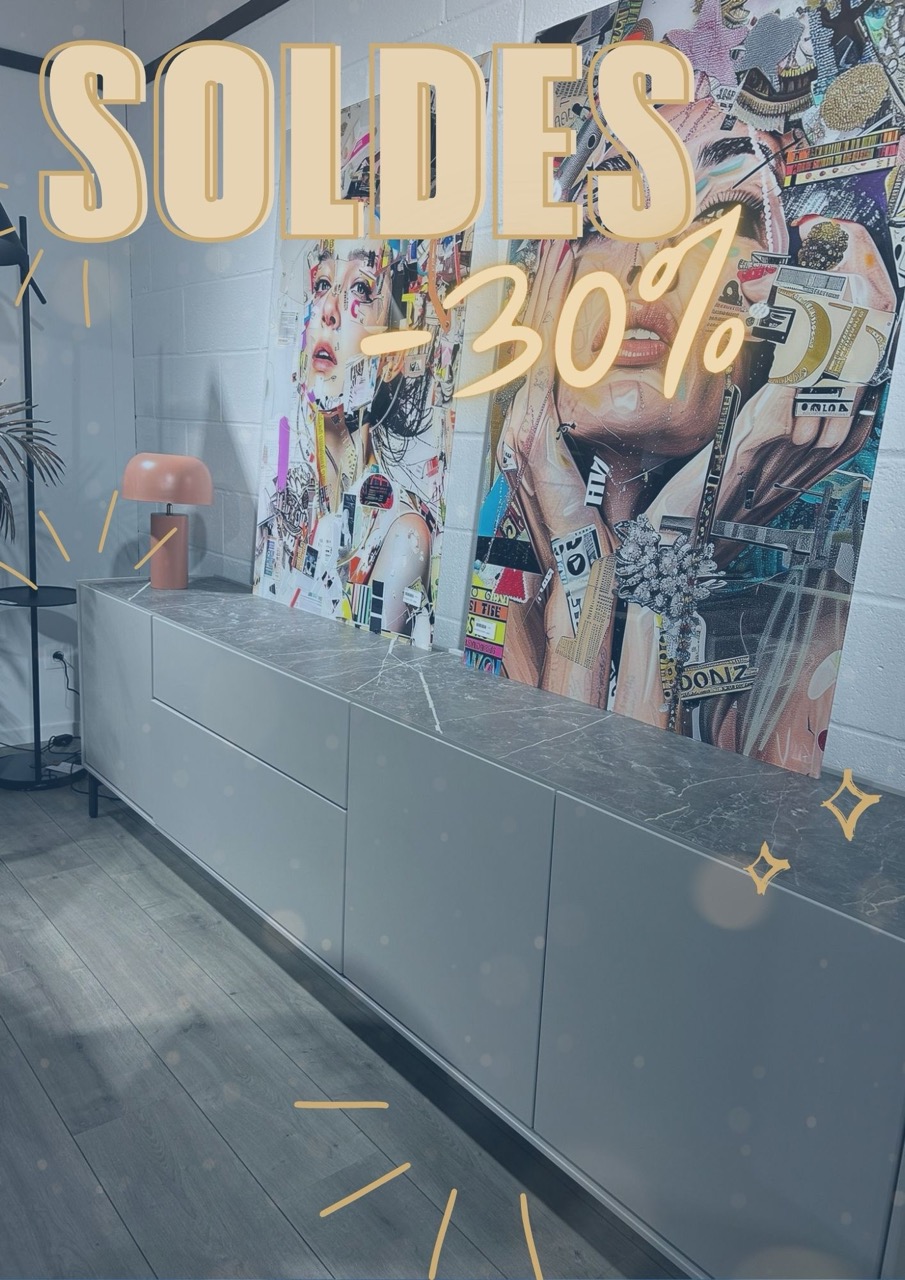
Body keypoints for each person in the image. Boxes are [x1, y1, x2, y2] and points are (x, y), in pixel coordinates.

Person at [487, 91, 896, 772]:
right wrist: (588, 574)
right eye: (610, 212)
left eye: (722, 219)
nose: (651, 257)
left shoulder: (817, 628)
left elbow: (625, 813)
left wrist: (667, 561)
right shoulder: (515, 572)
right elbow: (547, 787)